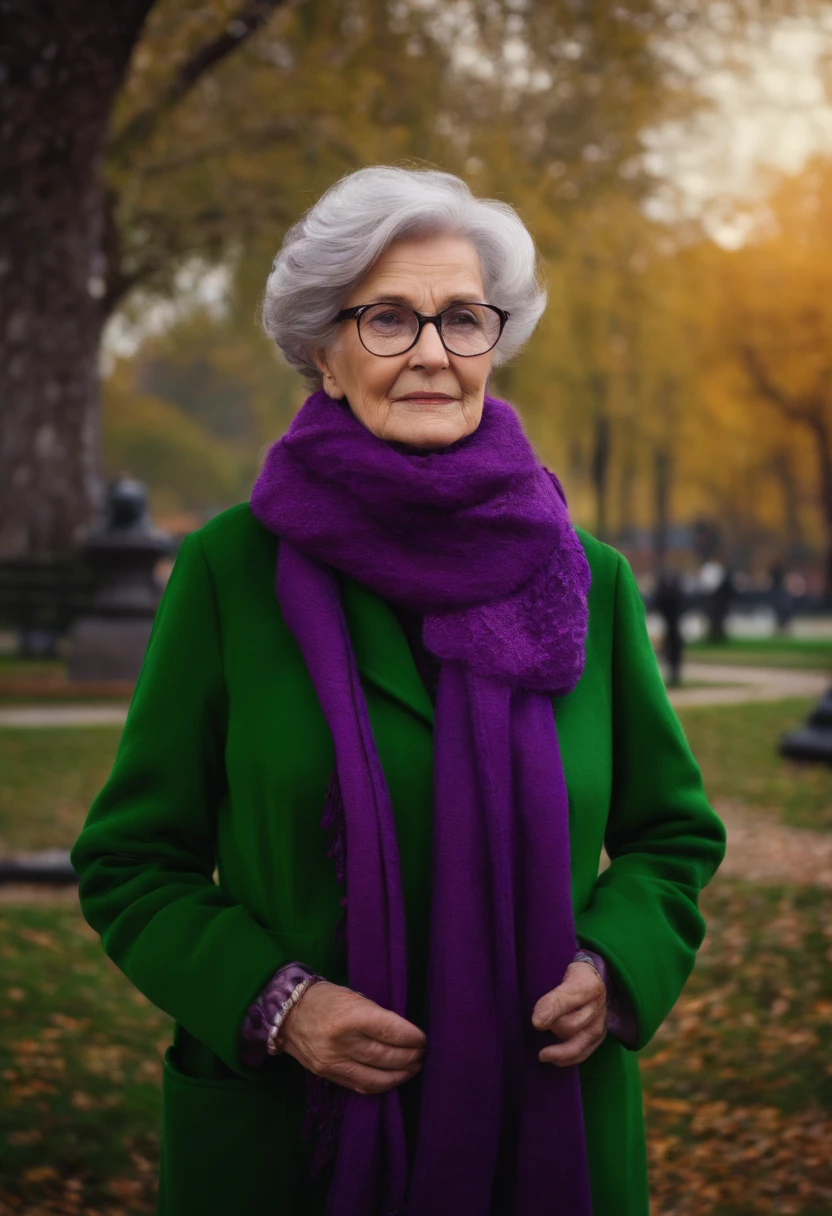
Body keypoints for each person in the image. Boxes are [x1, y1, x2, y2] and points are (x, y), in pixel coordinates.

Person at [70, 166, 726, 1216]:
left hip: (544, 1132)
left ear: (491, 346)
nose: (431, 351)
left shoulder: (585, 575)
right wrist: (278, 1006)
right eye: (388, 318)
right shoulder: (229, 571)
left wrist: (616, 966)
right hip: (292, 1142)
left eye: (462, 319)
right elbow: (131, 858)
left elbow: (672, 834)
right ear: (323, 356)